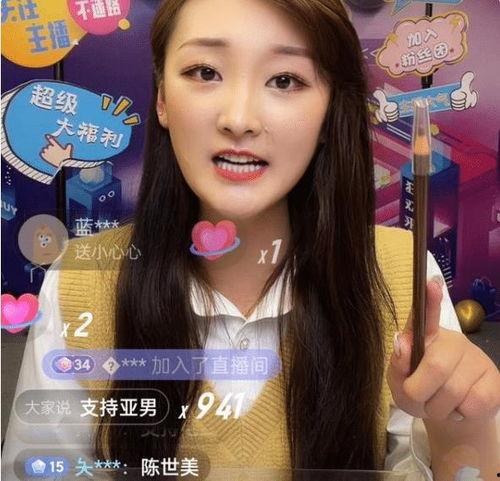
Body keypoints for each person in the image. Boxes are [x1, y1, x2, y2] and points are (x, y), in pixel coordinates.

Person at [3, 0, 499, 480]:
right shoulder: (83, 280)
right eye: (204, 72)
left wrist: (462, 426)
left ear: (330, 110)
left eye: (285, 80)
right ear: (162, 99)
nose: (239, 119)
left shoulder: (403, 275)